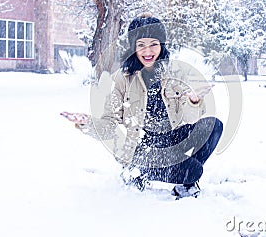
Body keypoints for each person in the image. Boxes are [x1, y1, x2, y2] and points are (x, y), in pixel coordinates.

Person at [65, 13, 223, 199]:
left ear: (161, 45)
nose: (148, 51)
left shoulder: (175, 73)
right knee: (194, 170)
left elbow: (189, 119)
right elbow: (109, 126)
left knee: (214, 125)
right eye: (141, 45)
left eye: (153, 44)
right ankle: (138, 172)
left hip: (172, 139)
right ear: (133, 48)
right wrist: (87, 123)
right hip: (142, 149)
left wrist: (193, 101)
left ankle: (185, 183)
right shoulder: (122, 80)